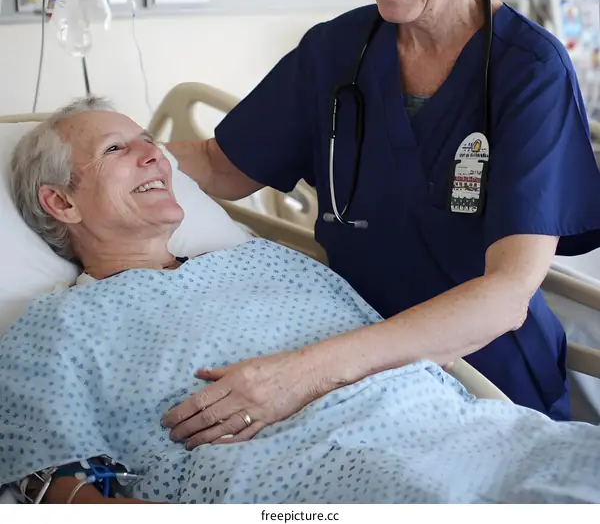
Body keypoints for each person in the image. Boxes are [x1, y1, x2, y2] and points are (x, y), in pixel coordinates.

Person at [164, 0, 600, 445]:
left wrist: (304, 374)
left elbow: (507, 294)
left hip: (484, 381)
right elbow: (224, 165)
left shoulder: (529, 72)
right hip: (349, 366)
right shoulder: (335, 50)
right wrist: (114, 156)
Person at [3, 98, 600, 505]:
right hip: (321, 485)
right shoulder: (56, 330)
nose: (155, 155)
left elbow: (406, 364)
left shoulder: (270, 258)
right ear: (61, 203)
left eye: (149, 142)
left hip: (477, 436)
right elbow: (61, 481)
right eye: (116, 150)